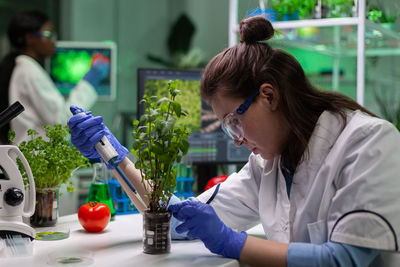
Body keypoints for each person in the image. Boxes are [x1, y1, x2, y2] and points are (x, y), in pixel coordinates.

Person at [67, 16, 400, 266]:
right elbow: (178, 221)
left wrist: (231, 243)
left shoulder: (367, 142)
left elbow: (347, 259)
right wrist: (114, 157)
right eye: (229, 128)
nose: (237, 141)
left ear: (268, 96)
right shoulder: (267, 165)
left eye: (234, 122)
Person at [0, 10, 109, 144]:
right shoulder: (29, 69)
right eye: (48, 35)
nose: (53, 41)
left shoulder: (22, 66)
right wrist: (89, 83)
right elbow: (62, 121)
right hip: (34, 159)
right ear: (30, 38)